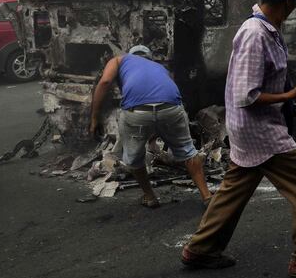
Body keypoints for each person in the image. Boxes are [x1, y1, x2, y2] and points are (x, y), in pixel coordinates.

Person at [181, 0, 296, 278]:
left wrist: (295, 102)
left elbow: (263, 85)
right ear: (288, 1)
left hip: (250, 127)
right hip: (258, 130)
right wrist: (291, 93)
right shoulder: (256, 35)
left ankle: (200, 249)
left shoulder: (268, 29)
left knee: (235, 188)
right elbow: (247, 95)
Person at [89, 45, 212, 208]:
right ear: (149, 57)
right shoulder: (159, 67)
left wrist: (94, 118)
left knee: (134, 156)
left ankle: (150, 196)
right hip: (172, 108)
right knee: (188, 151)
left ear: (130, 55)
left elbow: (104, 82)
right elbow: (162, 96)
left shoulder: (119, 60)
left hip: (137, 111)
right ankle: (207, 196)